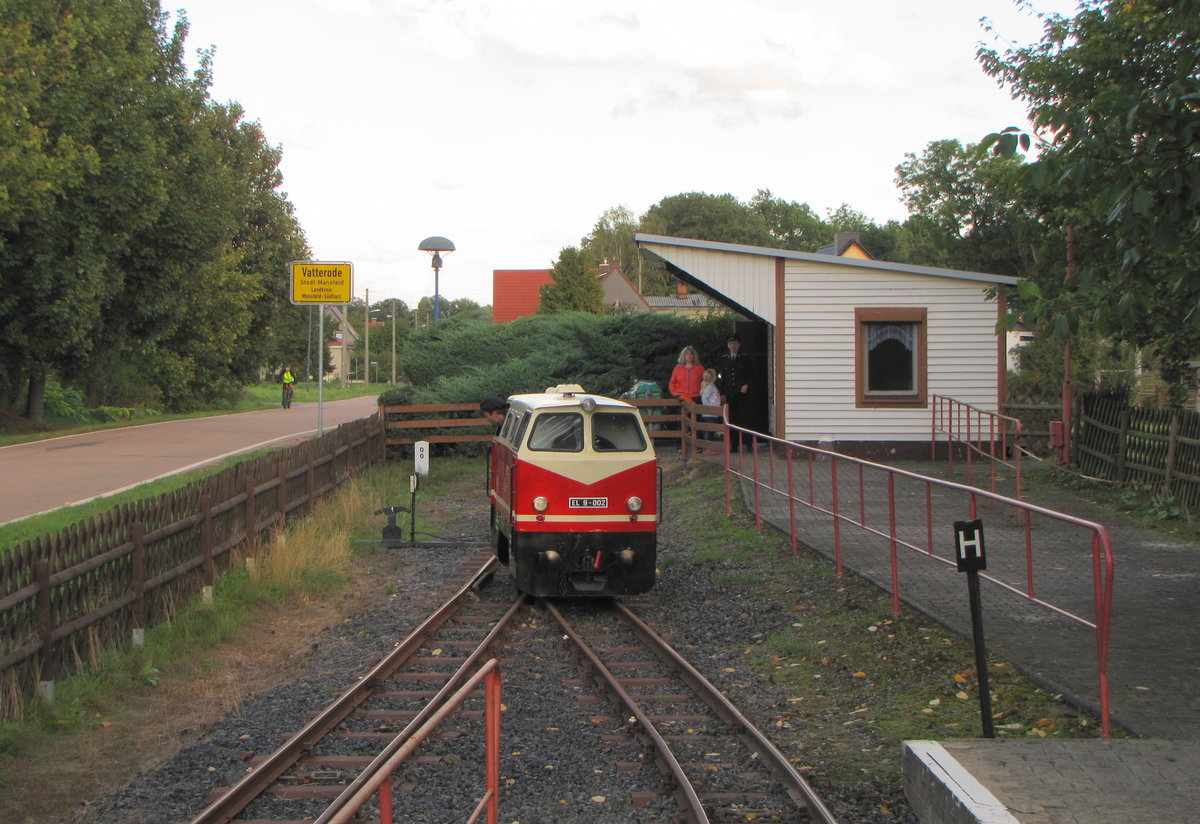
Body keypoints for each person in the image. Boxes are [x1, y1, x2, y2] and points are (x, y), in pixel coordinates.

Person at [715, 334, 754, 451]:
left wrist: (747, 384)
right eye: (731, 343)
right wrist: (721, 393)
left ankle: (748, 443)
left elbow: (751, 374)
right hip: (730, 393)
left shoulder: (745, 358)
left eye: (735, 343)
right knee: (732, 419)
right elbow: (721, 377)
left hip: (742, 393)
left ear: (739, 344)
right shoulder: (723, 359)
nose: (733, 346)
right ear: (728, 345)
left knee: (745, 418)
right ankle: (734, 444)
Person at [699, 367, 721, 455]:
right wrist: (710, 408)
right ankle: (707, 448)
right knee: (708, 431)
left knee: (710, 431)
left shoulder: (710, 386)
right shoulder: (710, 387)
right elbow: (704, 399)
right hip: (709, 414)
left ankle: (708, 447)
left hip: (711, 413)